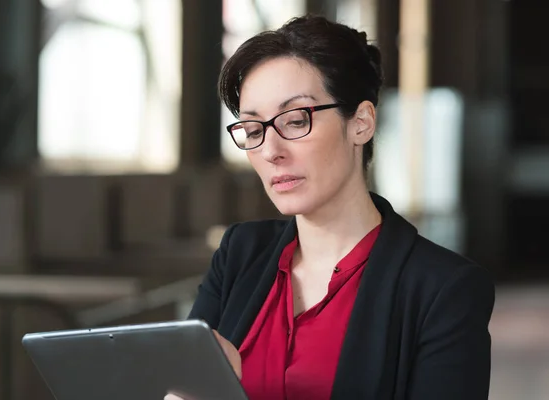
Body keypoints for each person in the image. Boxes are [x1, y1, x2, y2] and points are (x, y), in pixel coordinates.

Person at [168, 14, 495, 400]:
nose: (272, 151)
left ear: (360, 123)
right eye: (254, 130)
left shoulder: (444, 289)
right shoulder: (240, 254)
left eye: (294, 120)